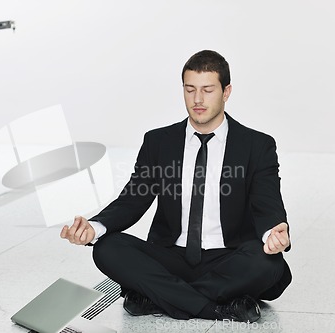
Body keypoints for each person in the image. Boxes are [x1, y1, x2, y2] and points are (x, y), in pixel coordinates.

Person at [60, 50, 291, 323]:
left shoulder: (257, 145)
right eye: (190, 89)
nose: (197, 100)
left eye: (207, 90)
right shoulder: (159, 142)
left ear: (226, 92)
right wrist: (94, 228)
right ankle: (216, 308)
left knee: (267, 264)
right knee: (107, 248)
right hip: (170, 256)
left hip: (229, 258)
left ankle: (160, 295)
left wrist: (273, 232)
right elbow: (133, 198)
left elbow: (267, 202)